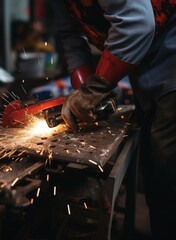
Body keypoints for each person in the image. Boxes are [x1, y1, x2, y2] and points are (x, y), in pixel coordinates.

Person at [52, 1, 176, 239]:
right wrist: (88, 96)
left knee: (167, 175)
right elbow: (70, 38)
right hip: (146, 73)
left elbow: (137, 24)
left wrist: (96, 88)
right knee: (154, 174)